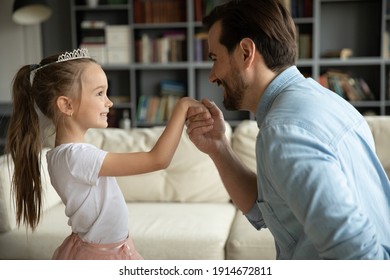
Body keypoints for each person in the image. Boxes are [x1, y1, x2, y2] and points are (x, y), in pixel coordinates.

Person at [186, 0, 390, 259]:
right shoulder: (325, 101)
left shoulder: (284, 131)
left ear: (246, 52)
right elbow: (269, 211)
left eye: (215, 58)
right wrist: (218, 147)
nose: (211, 75)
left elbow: (357, 258)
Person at [6, 48, 209, 260]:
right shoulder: (77, 157)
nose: (109, 102)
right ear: (66, 105)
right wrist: (182, 106)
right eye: (99, 93)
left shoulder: (60, 155)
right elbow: (157, 159)